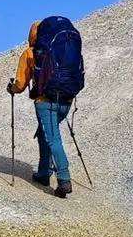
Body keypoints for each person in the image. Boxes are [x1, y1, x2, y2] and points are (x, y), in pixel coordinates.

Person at [7, 16, 85, 198]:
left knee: (52, 138)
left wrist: (12, 88)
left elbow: (20, 84)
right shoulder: (65, 49)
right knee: (45, 133)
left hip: (45, 102)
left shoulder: (31, 53)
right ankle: (43, 172)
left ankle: (64, 179)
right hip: (66, 99)